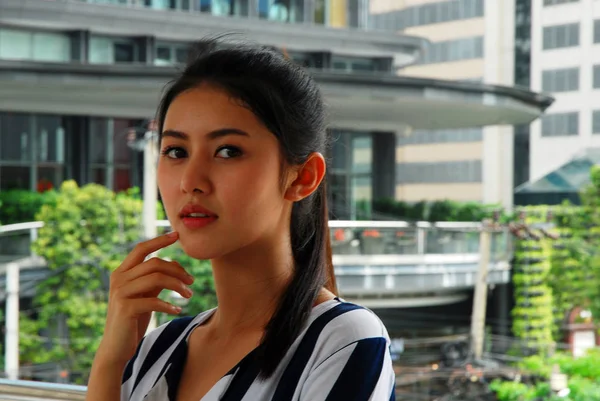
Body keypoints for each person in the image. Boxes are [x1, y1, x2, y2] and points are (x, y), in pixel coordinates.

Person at [86, 38, 395, 401]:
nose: (190, 182)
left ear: (302, 177)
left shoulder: (342, 340)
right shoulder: (156, 349)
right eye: (176, 151)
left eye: (227, 151)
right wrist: (111, 360)